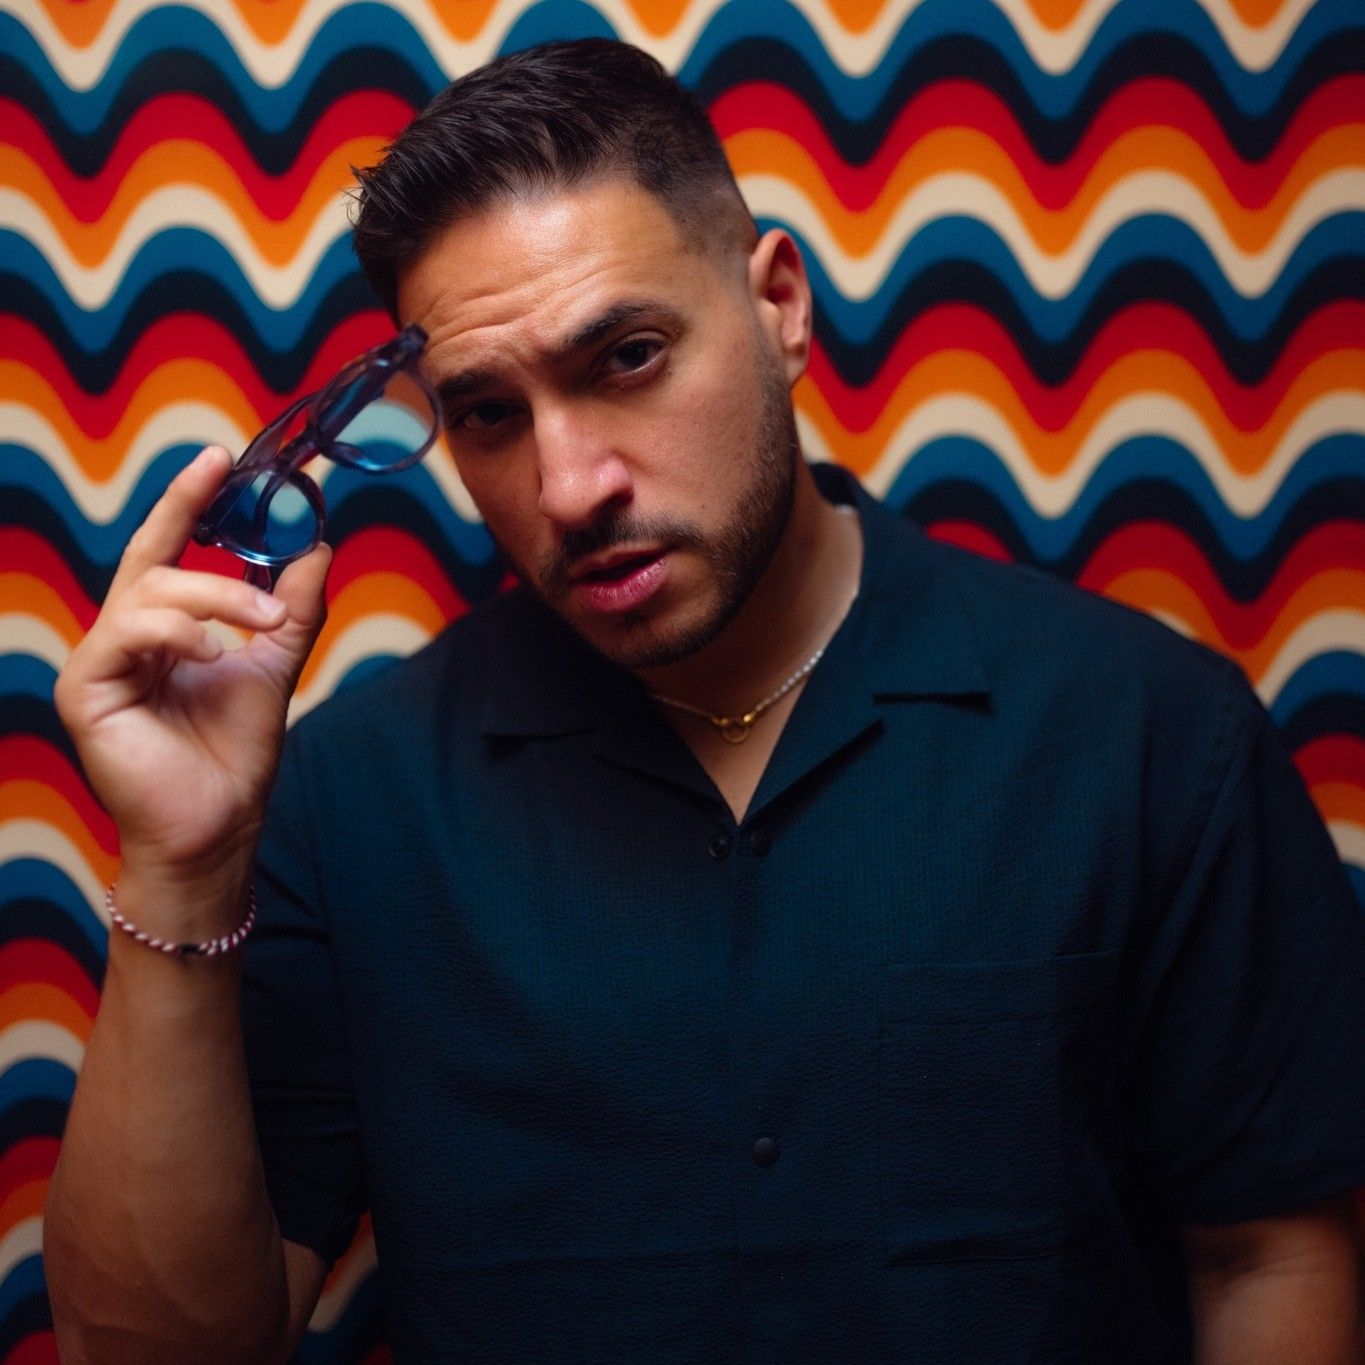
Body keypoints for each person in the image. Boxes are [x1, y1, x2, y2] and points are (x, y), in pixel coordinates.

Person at [45, 38, 1365, 1365]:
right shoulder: (350, 798)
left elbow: (1266, 1254)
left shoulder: (1143, 735)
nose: (570, 487)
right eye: (489, 413)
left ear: (779, 305)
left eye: (626, 356)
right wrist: (181, 868)